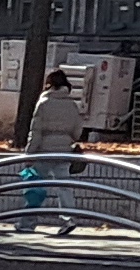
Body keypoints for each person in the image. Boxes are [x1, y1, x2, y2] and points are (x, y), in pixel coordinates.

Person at [20, 68, 92, 231]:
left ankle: (28, 223)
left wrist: (29, 153)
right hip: (64, 151)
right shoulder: (72, 105)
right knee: (64, 187)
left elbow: (35, 131)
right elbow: (77, 132)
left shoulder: (43, 103)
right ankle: (69, 219)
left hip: (43, 151)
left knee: (36, 187)